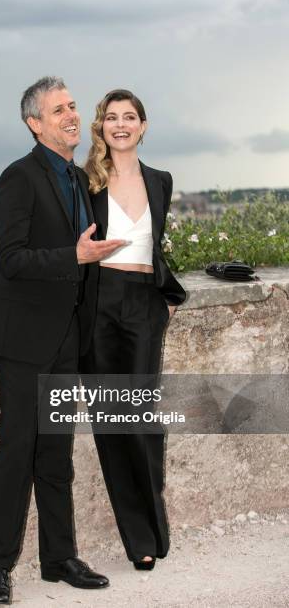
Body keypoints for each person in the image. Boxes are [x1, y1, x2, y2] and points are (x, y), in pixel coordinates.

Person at [0, 77, 126, 605]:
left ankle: (58, 559)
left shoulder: (77, 178)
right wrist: (75, 257)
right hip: (22, 340)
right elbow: (12, 260)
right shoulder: (17, 178)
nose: (70, 114)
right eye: (57, 109)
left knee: (58, 452)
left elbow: (89, 252)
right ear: (34, 124)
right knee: (17, 452)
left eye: (71, 106)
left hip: (66, 337)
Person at [82, 89, 186, 571]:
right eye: (111, 117)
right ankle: (140, 538)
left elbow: (157, 247)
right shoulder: (85, 181)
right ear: (101, 127)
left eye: (129, 117)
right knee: (110, 421)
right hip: (99, 303)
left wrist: (162, 300)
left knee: (140, 419)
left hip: (144, 303)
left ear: (143, 126)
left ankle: (154, 522)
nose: (120, 124)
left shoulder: (161, 181)